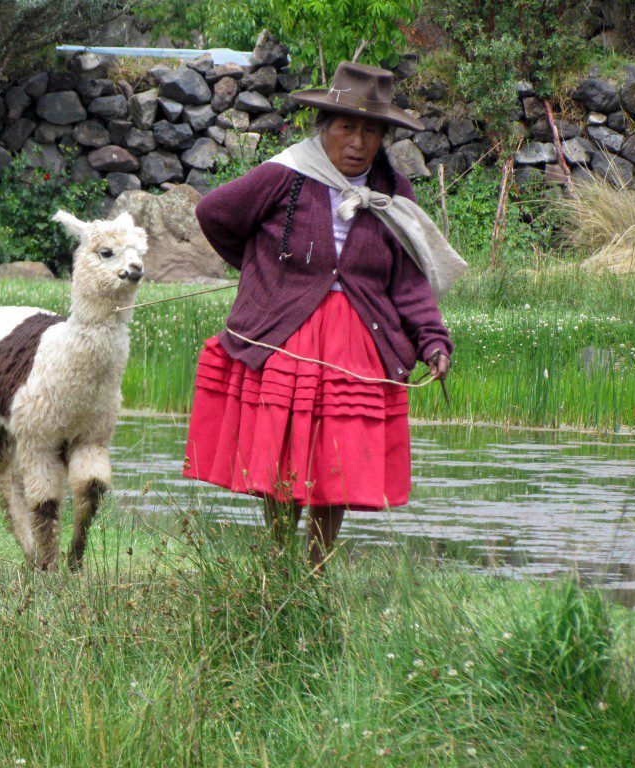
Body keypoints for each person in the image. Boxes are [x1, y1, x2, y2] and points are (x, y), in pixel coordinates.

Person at [182, 61, 454, 569]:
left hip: (356, 347)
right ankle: (279, 564)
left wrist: (433, 341)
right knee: (282, 458)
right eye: (347, 127)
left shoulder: (392, 193)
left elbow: (408, 281)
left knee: (335, 465)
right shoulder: (285, 175)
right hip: (287, 338)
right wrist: (261, 272)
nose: (357, 141)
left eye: (370, 130)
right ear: (323, 128)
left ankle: (315, 570)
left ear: (383, 138)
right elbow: (215, 213)